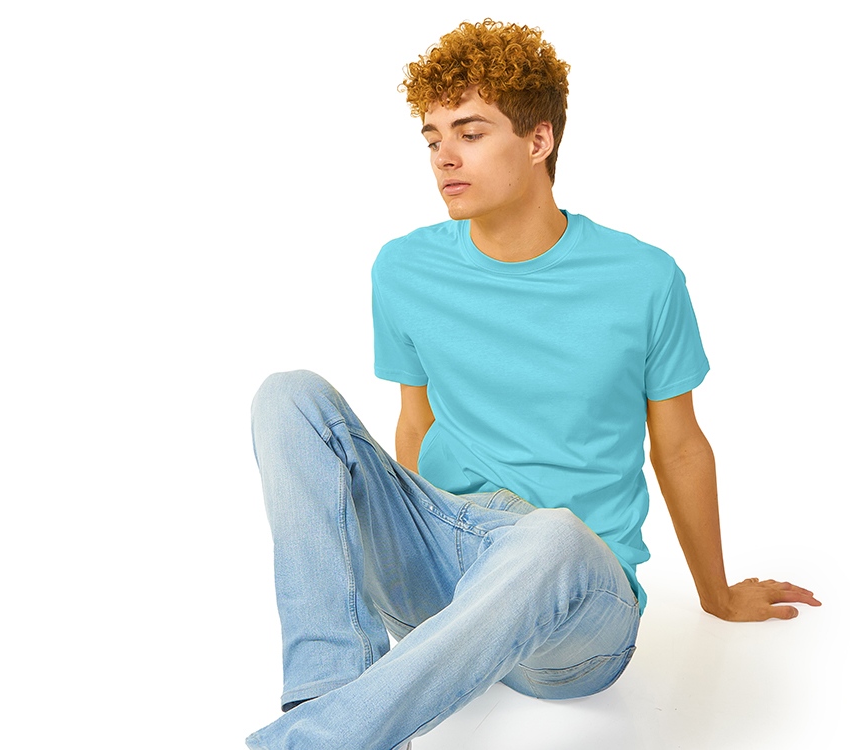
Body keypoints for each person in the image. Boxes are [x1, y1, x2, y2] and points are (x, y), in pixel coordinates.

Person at [245, 18, 820, 750]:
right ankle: (325, 700)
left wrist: (717, 594)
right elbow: (415, 426)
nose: (443, 156)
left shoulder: (644, 279)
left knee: (552, 535)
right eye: (432, 138)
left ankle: (316, 741)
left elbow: (678, 446)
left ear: (539, 139)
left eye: (470, 132)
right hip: (446, 564)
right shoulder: (403, 268)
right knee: (288, 395)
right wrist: (415, 540)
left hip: (575, 602)